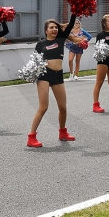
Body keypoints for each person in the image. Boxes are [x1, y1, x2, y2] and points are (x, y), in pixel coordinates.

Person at [27, 14, 80, 146]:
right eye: (51, 27)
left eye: (56, 27)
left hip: (58, 75)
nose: (54, 29)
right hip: (44, 75)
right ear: (46, 30)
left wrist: (74, 10)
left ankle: (62, 132)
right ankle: (31, 137)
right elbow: (34, 61)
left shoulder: (61, 39)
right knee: (43, 107)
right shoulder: (40, 44)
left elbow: (72, 22)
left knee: (63, 107)